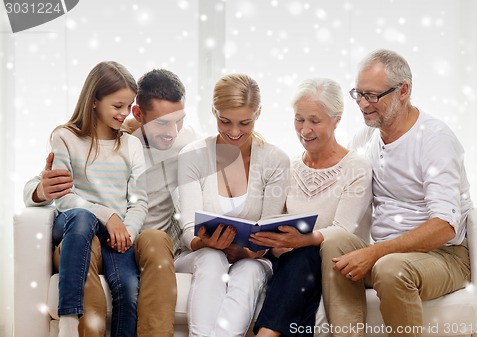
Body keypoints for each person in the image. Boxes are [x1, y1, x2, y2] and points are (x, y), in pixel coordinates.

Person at [24, 68, 198, 337]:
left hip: (134, 237)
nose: (172, 132)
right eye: (162, 123)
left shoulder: (186, 144)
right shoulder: (89, 137)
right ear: (139, 115)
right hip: (89, 233)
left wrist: (126, 233)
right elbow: (43, 187)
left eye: (179, 121)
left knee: (154, 240)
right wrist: (41, 190)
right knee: (86, 235)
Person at [321, 49, 472, 337]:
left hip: (443, 255)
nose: (363, 105)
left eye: (373, 96)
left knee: (391, 268)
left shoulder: (434, 140)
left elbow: (444, 226)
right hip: (386, 253)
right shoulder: (365, 138)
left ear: (403, 91)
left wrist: (375, 252)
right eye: (359, 94)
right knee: (334, 245)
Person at [248, 78, 373, 337]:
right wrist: (272, 241)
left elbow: (342, 230)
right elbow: (274, 219)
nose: (305, 130)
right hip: (287, 261)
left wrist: (302, 240)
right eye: (299, 119)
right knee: (298, 259)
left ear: (336, 119)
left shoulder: (355, 167)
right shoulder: (289, 167)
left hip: (331, 261)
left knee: (306, 255)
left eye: (314, 121)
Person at [175, 73, 290, 337]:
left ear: (258, 113)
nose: (234, 132)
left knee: (249, 270)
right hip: (198, 254)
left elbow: (268, 231)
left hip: (251, 258)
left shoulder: (275, 160)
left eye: (245, 122)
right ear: (213, 111)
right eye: (224, 121)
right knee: (213, 258)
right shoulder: (193, 156)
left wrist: (252, 252)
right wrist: (208, 243)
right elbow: (188, 231)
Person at [48, 61, 147, 337]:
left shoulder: (131, 145)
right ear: (94, 100)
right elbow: (63, 197)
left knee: (127, 291)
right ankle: (69, 321)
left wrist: (126, 231)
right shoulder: (65, 137)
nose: (124, 114)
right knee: (82, 218)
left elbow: (139, 201)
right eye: (117, 106)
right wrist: (107, 215)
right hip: (74, 224)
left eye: (128, 106)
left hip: (115, 234)